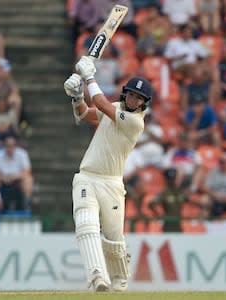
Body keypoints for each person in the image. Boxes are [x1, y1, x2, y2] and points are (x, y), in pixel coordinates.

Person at [63, 56, 153, 292]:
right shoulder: (115, 107)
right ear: (126, 94)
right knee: (86, 224)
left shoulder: (135, 122)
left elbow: (102, 104)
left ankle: (119, 278)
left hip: (112, 184)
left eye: (139, 98)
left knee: (113, 241)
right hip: (87, 177)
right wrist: (76, 97)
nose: (134, 100)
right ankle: (97, 277)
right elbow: (85, 114)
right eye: (132, 95)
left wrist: (89, 77)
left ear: (144, 103)